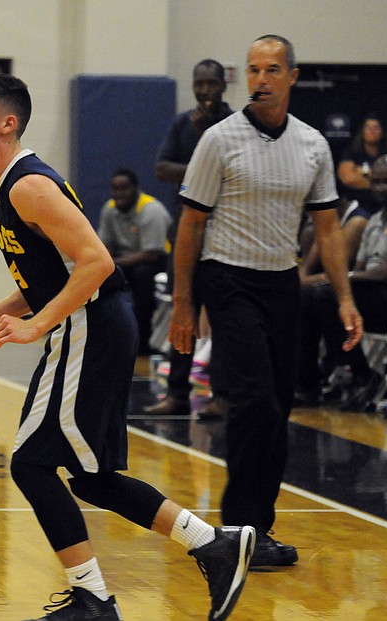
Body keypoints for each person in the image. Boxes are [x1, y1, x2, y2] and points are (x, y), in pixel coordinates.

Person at [0, 73, 254, 621]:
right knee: (89, 477)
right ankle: (211, 545)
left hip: (90, 324)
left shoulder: (28, 185)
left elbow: (97, 262)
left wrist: (37, 326)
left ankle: (94, 598)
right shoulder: (11, 185)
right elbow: (42, 281)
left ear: (7, 123)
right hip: (93, 322)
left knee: (31, 465)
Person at [169, 35, 363, 567]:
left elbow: (328, 229)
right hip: (227, 278)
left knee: (279, 410)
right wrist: (184, 302)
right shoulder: (219, 139)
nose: (260, 79)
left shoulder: (313, 145)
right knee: (253, 402)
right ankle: (235, 530)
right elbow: (190, 223)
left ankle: (259, 530)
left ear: (292, 77)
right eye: (253, 70)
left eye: (272, 69)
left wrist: (345, 299)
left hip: (283, 284)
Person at [297, 155, 387, 411]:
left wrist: (340, 280)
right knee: (311, 295)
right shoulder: (375, 221)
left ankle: (362, 375)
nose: (381, 188)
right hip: (377, 296)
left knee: (328, 295)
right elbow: (361, 271)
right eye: (376, 182)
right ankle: (308, 383)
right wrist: (340, 282)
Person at [149, 59, 233, 419]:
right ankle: (177, 393)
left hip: (223, 229)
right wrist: (200, 167)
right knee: (181, 309)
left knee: (222, 314)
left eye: (211, 84)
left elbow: (232, 171)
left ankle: (222, 394)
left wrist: (207, 137)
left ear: (222, 85)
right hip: (186, 230)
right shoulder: (182, 122)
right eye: (199, 84)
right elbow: (161, 167)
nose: (204, 91)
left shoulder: (234, 124)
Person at [97, 168, 171, 355]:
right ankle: (102, 335)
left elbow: (151, 254)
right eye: (115, 189)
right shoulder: (110, 208)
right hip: (126, 262)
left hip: (160, 263)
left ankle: (143, 342)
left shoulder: (150, 210)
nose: (119, 194)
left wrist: (113, 263)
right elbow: (104, 246)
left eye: (124, 188)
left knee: (142, 275)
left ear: (136, 189)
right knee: (98, 276)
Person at [336, 115, 387, 213]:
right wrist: (378, 181)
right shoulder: (352, 152)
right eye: (368, 127)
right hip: (355, 205)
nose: (372, 131)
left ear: (382, 132)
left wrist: (362, 172)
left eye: (376, 128)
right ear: (362, 132)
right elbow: (348, 179)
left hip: (384, 206)